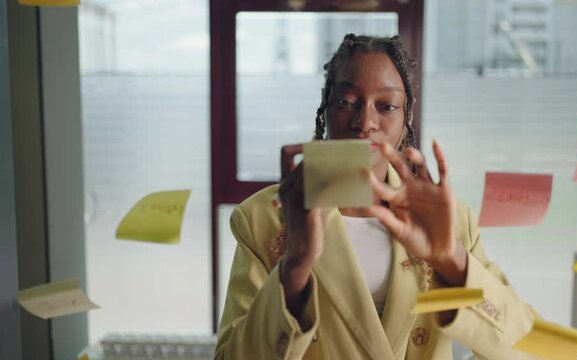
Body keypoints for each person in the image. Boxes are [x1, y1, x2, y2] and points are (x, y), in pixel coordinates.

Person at [215, 34, 538, 359]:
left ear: (406, 117)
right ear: (325, 108)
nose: (365, 122)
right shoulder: (263, 218)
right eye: (346, 101)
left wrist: (451, 258)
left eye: (386, 106)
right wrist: (294, 270)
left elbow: (530, 349)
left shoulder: (447, 220)